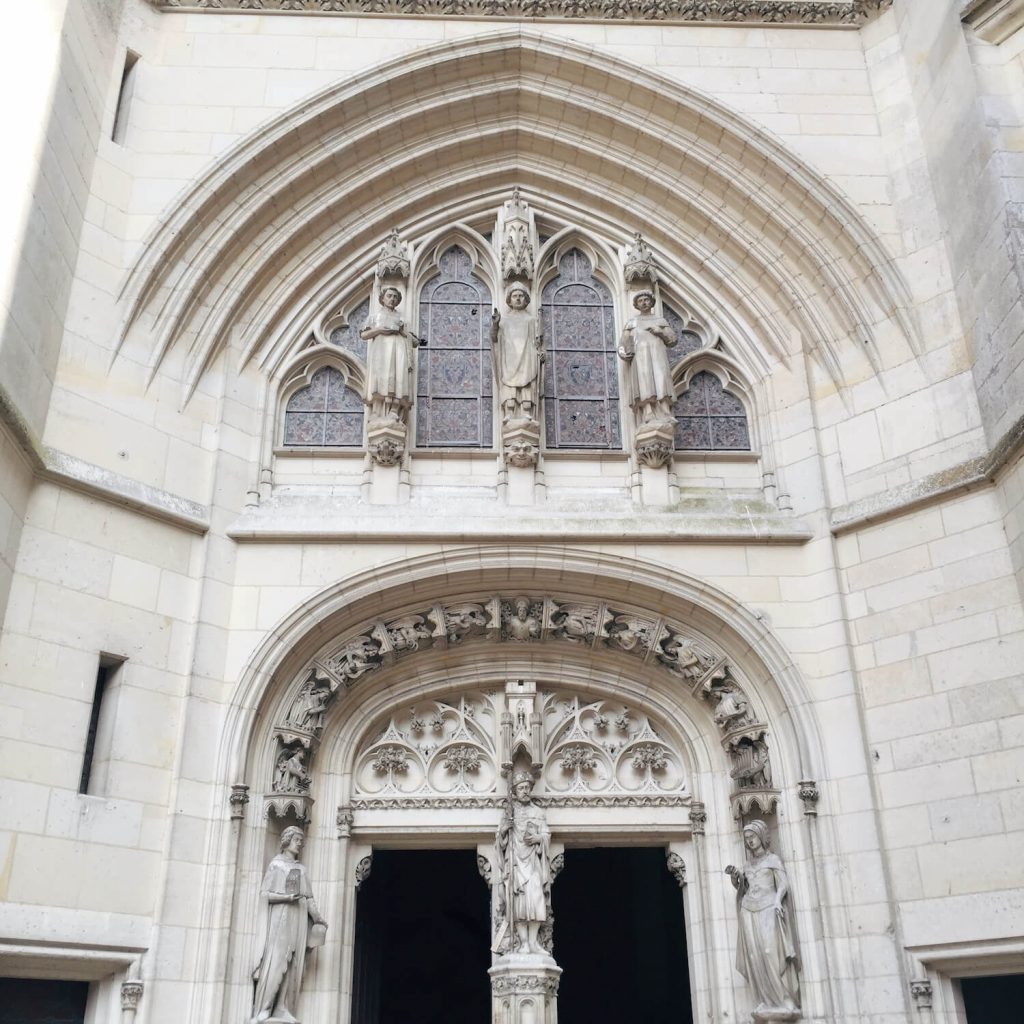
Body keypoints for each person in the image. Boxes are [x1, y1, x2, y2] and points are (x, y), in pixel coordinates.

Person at [251, 826, 327, 1024]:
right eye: (296, 840)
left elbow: (309, 898)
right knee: (277, 961)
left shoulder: (301, 869)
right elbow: (264, 894)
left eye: (301, 841)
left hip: (299, 919)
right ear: (286, 841)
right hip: (281, 918)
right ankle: (264, 1008)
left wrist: (318, 918)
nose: (299, 844)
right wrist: (286, 898)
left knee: (293, 963)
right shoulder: (276, 865)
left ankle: (282, 1007)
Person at [725, 821, 800, 1019]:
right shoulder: (748, 865)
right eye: (747, 839)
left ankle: (784, 999)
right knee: (754, 956)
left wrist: (777, 901)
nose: (750, 841)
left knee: (769, 952)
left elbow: (783, 883)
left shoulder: (773, 859)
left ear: (761, 837)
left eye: (752, 837)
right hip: (749, 909)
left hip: (768, 907)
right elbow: (743, 888)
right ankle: (765, 1000)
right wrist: (736, 878)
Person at [495, 771, 551, 955]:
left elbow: (546, 834)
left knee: (535, 898)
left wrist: (538, 838)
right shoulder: (509, 812)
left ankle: (534, 943)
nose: (525, 791)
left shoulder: (538, 812)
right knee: (517, 902)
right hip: (515, 863)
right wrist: (504, 829)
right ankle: (524, 943)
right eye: (521, 788)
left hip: (533, 862)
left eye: (527, 787)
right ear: (514, 791)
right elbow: (499, 839)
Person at [359, 286, 418, 424]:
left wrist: (401, 331)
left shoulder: (402, 321)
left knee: (397, 380)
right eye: (389, 296)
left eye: (395, 297)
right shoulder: (375, 318)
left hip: (399, 353)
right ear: (382, 298)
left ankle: (394, 410)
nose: (392, 299)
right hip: (381, 352)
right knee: (379, 379)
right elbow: (364, 334)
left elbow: (415, 342)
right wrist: (379, 329)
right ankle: (376, 411)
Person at [618, 290, 677, 425]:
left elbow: (672, 339)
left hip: (657, 354)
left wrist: (661, 332)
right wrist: (622, 352)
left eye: (646, 300)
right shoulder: (632, 322)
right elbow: (624, 342)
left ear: (651, 302)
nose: (644, 303)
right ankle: (648, 411)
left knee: (661, 379)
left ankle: (665, 411)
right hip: (641, 357)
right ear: (636, 305)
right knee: (644, 382)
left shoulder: (660, 321)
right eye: (640, 301)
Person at [491, 285, 544, 424]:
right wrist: (495, 325)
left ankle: (527, 413)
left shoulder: (531, 320)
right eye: (515, 296)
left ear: (526, 299)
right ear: (509, 299)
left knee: (527, 382)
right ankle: (509, 412)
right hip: (509, 358)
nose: (518, 299)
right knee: (510, 386)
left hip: (527, 357)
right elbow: (494, 339)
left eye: (521, 296)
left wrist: (541, 354)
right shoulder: (504, 320)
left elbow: (538, 343)